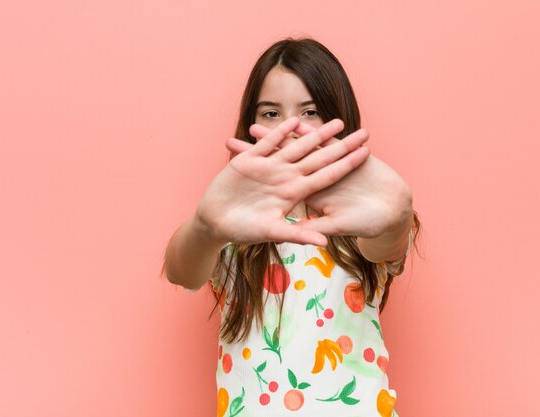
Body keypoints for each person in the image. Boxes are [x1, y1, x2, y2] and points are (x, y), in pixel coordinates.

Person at [162, 37, 421, 417]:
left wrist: (397, 217)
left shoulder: (367, 215)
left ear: (338, 116)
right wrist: (205, 227)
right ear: (252, 123)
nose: (291, 128)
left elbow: (386, 247)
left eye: (311, 111)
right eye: (271, 113)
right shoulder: (237, 220)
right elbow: (180, 270)